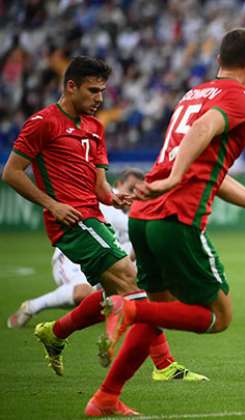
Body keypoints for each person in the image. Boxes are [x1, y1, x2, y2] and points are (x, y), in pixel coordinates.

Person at [83, 28, 245, 416]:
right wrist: (174, 178)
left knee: (157, 312)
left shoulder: (193, 94)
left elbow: (213, 172)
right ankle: (127, 309)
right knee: (218, 317)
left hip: (144, 217)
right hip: (177, 218)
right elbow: (204, 131)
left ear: (219, 60)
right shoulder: (242, 97)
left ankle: (105, 397)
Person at [1, 57, 198, 382]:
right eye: (93, 91)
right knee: (134, 284)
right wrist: (52, 205)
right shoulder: (43, 122)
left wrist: (114, 197)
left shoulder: (95, 128)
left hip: (94, 217)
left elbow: (100, 187)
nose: (99, 98)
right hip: (72, 221)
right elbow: (11, 172)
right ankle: (162, 364)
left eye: (103, 91)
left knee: (112, 294)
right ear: (70, 87)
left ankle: (55, 332)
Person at [5, 168, 205, 381]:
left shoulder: (119, 200)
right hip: (72, 257)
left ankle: (56, 331)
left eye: (138, 190)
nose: (133, 195)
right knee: (130, 294)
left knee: (120, 294)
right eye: (130, 189)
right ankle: (163, 365)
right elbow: (142, 230)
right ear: (119, 183)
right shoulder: (114, 211)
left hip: (105, 247)